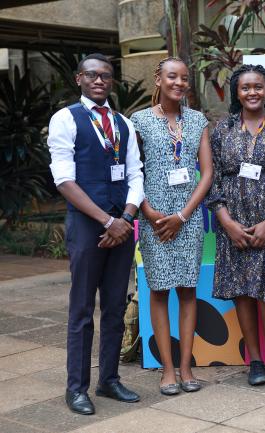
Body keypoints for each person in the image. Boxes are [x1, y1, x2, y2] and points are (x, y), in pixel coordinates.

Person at [47, 53, 143, 415]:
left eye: (105, 75)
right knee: (83, 309)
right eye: (92, 75)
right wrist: (108, 221)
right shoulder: (65, 119)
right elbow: (64, 181)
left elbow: (135, 173)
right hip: (90, 227)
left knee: (116, 306)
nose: (99, 80)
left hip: (121, 225)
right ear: (79, 79)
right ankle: (76, 388)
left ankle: (109, 380)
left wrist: (127, 217)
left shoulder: (122, 123)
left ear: (112, 81)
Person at [207, 64, 265, 387]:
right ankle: (256, 362)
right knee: (243, 292)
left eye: (258, 86)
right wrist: (227, 223)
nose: (252, 92)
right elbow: (212, 180)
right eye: (245, 87)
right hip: (233, 223)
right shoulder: (222, 130)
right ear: (236, 92)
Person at [130, 57, 213, 395]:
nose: (179, 83)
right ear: (158, 79)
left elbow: (206, 173)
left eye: (184, 78)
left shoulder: (197, 120)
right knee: (160, 291)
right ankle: (166, 370)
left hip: (188, 219)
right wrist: (150, 214)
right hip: (153, 219)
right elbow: (133, 172)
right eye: (172, 77)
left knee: (188, 291)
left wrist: (182, 216)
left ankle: (186, 366)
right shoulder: (139, 120)